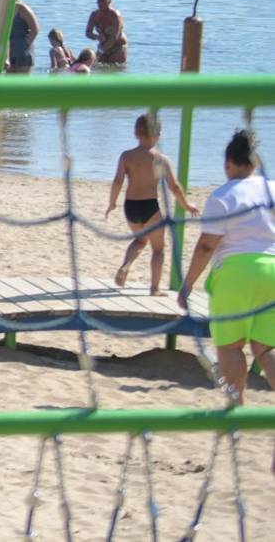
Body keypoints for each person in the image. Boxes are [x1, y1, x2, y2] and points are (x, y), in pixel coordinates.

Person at [178, 129, 275, 473]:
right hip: (273, 270)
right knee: (266, 349)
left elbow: (207, 245)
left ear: (228, 163)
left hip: (237, 272)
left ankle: (235, 413)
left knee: (231, 348)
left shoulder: (222, 195)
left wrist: (187, 284)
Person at [109, 112, 195, 295]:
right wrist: (186, 205)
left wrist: (112, 203)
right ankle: (155, 288)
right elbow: (174, 187)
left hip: (130, 206)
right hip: (150, 206)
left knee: (140, 240)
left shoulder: (126, 156)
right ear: (159, 134)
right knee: (158, 249)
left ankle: (125, 265)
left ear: (136, 133)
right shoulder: (160, 159)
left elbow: (117, 181)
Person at [87, 0, 130, 66]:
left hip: (118, 47)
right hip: (103, 47)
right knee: (97, 68)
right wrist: (97, 37)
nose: (100, 4)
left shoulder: (115, 15)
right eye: (98, 1)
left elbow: (114, 37)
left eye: (103, 1)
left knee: (115, 69)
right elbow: (88, 33)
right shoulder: (94, 15)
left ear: (109, 1)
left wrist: (101, 51)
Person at [6, 0, 40, 75]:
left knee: (22, 83)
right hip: (8, 50)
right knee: (8, 84)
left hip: (23, 51)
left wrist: (25, 44)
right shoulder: (1, 8)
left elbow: (35, 29)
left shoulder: (22, 8)